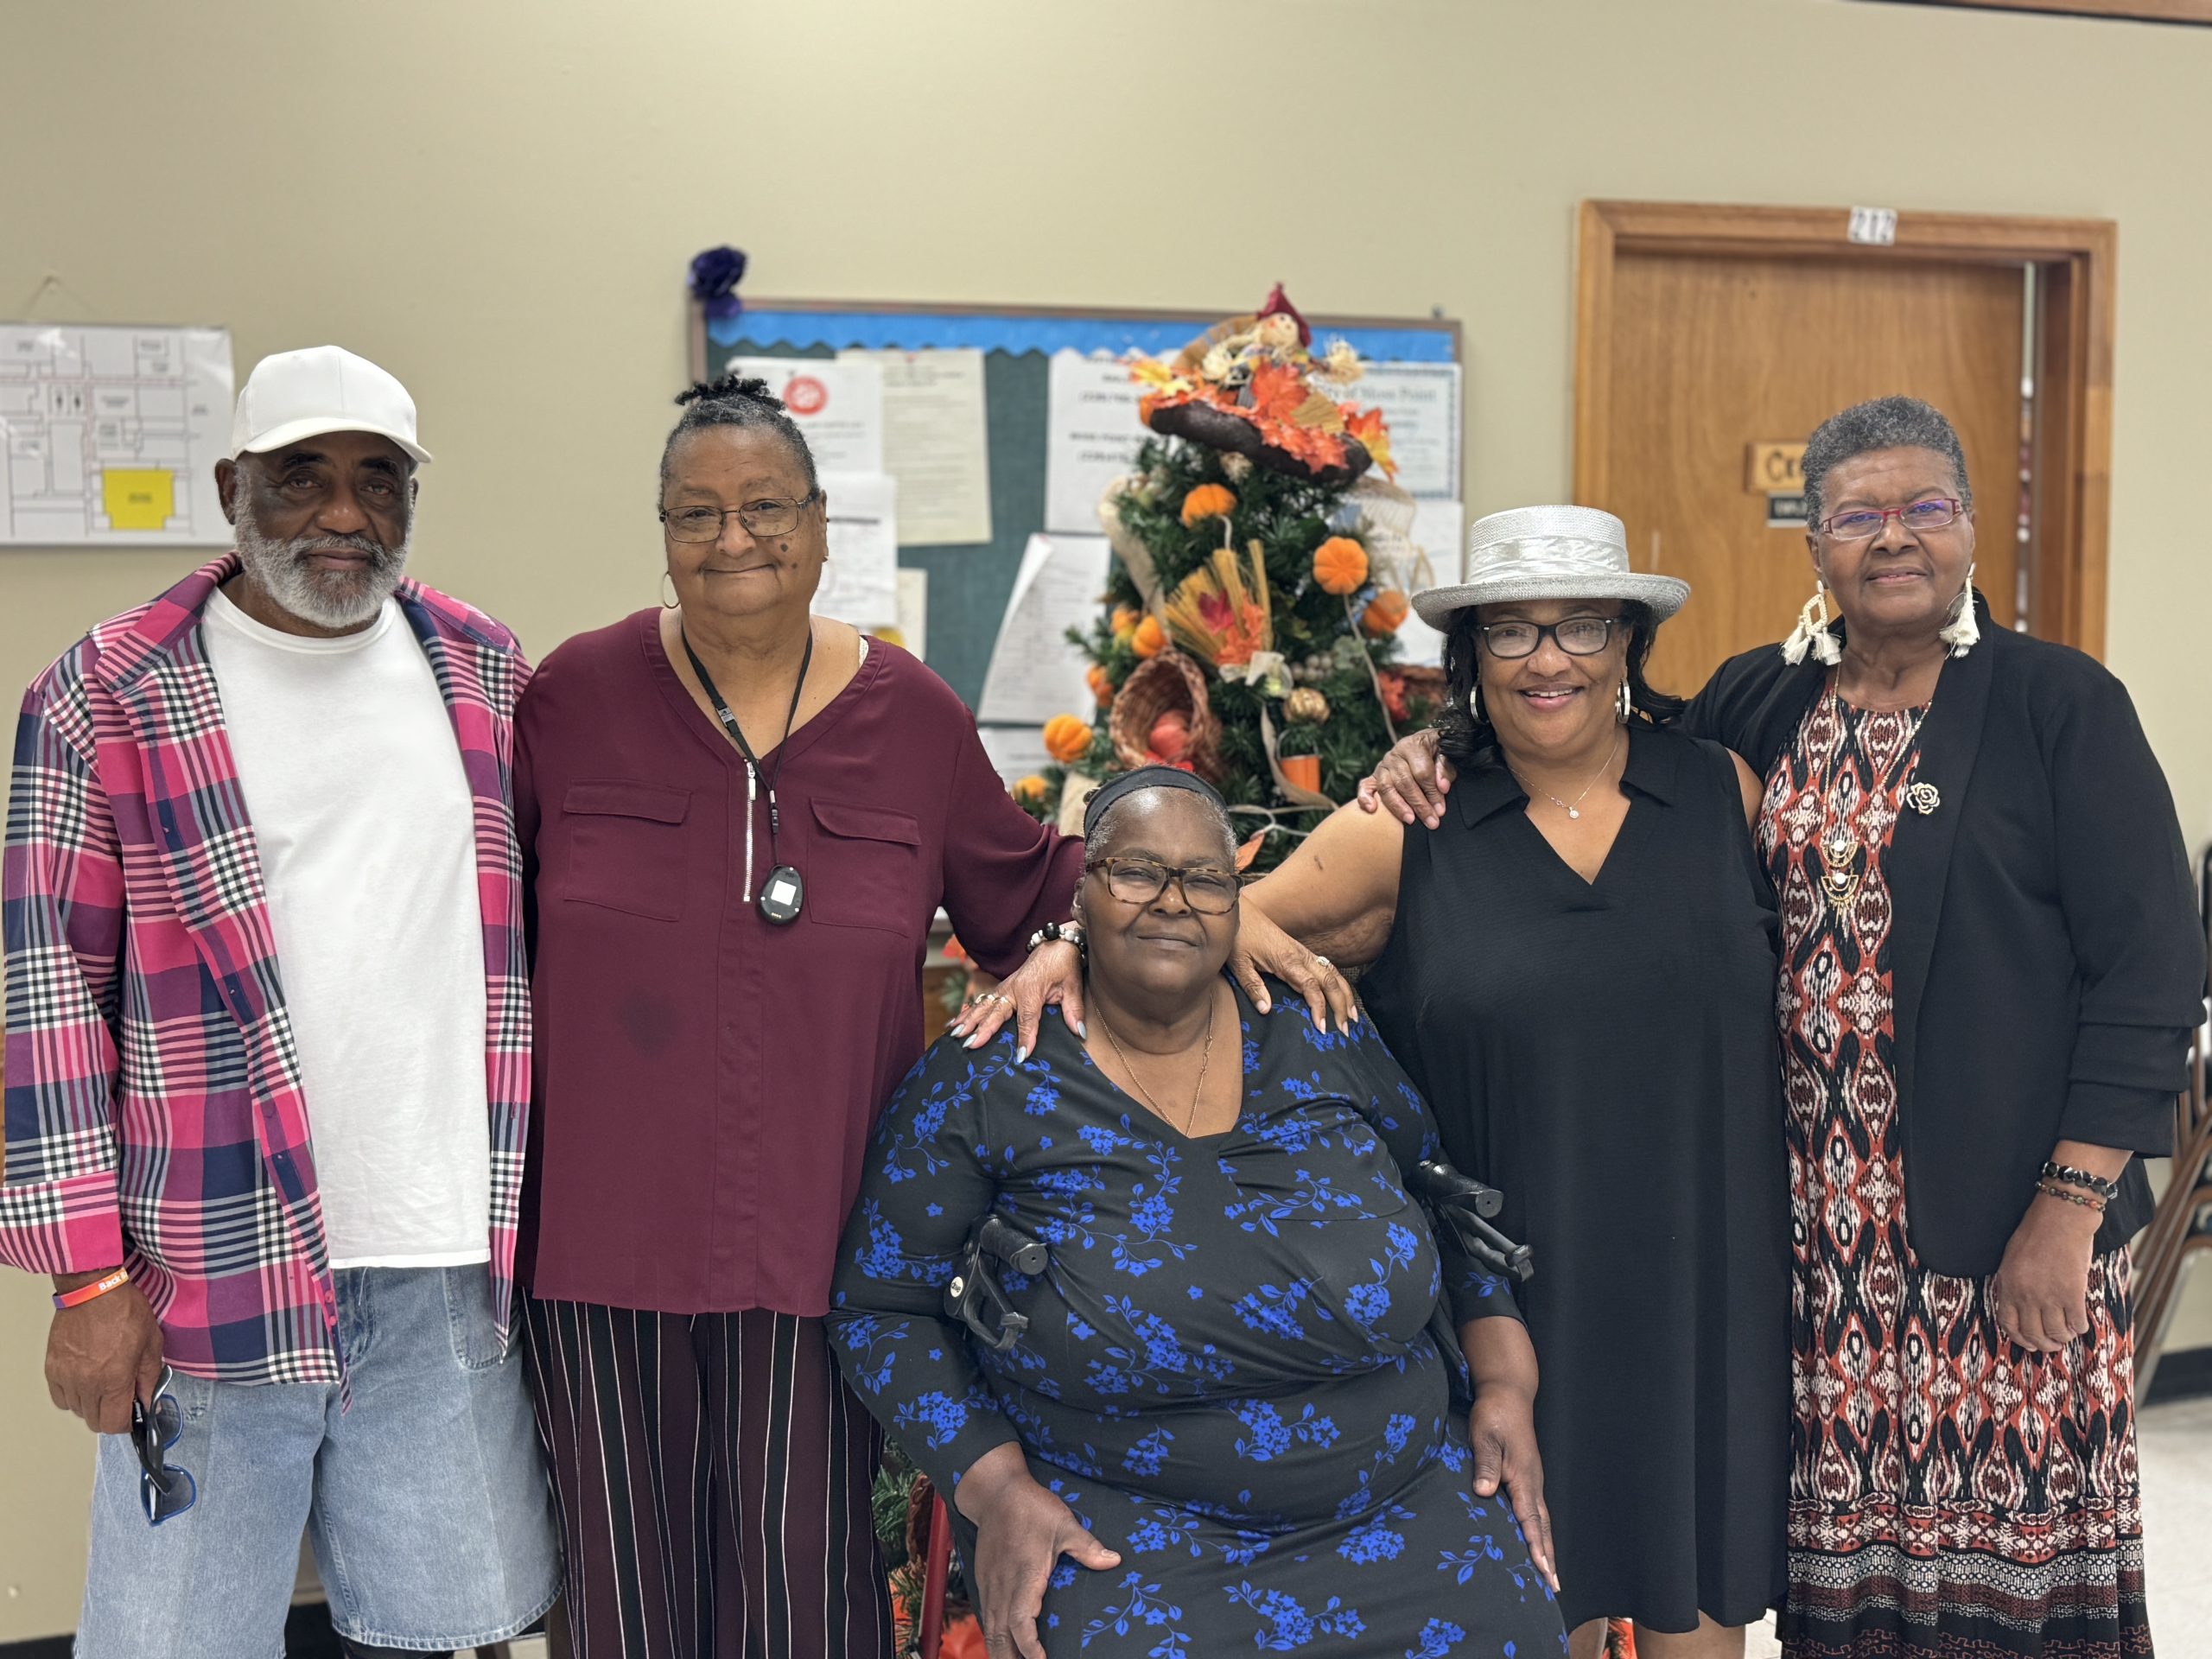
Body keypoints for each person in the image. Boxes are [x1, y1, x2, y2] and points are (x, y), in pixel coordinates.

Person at [1362, 398, 2203, 1658]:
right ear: (1815, 545)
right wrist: (1434, 749)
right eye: (1857, 516)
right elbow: (1585, 748)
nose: (1894, 537)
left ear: (1973, 525)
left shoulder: (2058, 706)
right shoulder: (1760, 700)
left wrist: (2071, 1208)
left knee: (2006, 1573)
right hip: (1813, 1254)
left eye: (1925, 507)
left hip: (2008, 1233)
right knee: (1844, 1573)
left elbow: (2150, 972)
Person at [513, 375, 1327, 1659]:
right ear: (662, 531)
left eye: (767, 507)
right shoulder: (570, 700)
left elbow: (1041, 890)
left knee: (804, 1606)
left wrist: (1241, 912)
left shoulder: (911, 718)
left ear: (819, 523)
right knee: (619, 1609)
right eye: (696, 513)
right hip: (599, 1247)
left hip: (823, 1247)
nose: (734, 539)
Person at [1, 346, 558, 1659]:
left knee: (451, 1636)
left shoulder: (486, 670)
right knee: (175, 1644)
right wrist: (86, 1279)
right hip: (206, 1269)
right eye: (302, 477)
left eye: (380, 481)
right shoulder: (106, 693)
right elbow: (45, 994)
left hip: (444, 1265)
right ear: (230, 488)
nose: (345, 515)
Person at [825, 766, 1566, 1659]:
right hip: (1129, 1533)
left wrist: (1505, 1386)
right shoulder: (991, 1071)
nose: (1172, 900)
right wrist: (996, 1487)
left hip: (1407, 1501)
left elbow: (1443, 1197)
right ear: (1079, 897)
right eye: (1136, 872)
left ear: (1236, 901)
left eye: (1205, 879)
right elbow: (882, 1306)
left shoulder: (1319, 1029)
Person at [1236, 506, 1789, 1659]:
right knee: (1534, 1610)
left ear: (1628, 642)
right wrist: (1067, 942)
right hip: (1509, 1305)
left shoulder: (1723, 794)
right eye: (1511, 631)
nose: (1548, 659)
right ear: (1470, 655)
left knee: (1700, 1609)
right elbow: (1217, 925)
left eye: (1581, 625)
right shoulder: (1408, 825)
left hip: (1702, 1284)